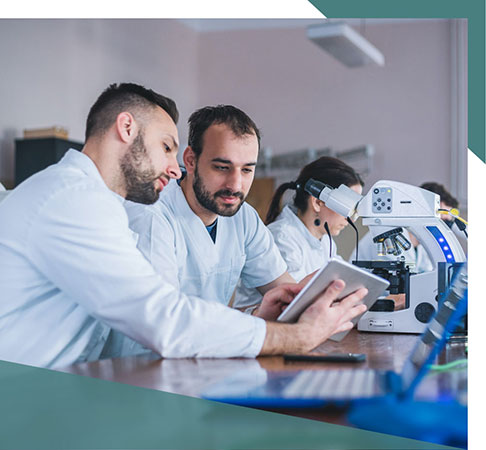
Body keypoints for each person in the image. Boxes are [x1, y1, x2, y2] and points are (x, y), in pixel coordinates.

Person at [0, 83, 367, 369]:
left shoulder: (93, 202)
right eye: (165, 147)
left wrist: (258, 320)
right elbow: (165, 321)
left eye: (248, 169)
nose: (175, 168)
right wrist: (297, 337)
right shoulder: (75, 200)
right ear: (126, 128)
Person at [126, 105, 295, 312]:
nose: (235, 185)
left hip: (211, 341)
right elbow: (165, 322)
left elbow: (287, 293)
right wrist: (256, 319)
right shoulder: (151, 215)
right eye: (222, 168)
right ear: (190, 161)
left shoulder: (243, 218)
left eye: (247, 170)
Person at [234, 157, 363, 308]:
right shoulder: (281, 237)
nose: (351, 220)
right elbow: (297, 302)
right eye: (348, 209)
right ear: (318, 202)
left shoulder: (326, 241)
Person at [354, 181, 460, 273]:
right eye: (440, 215)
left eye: (447, 220)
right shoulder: (388, 233)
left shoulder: (422, 245)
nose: (442, 223)